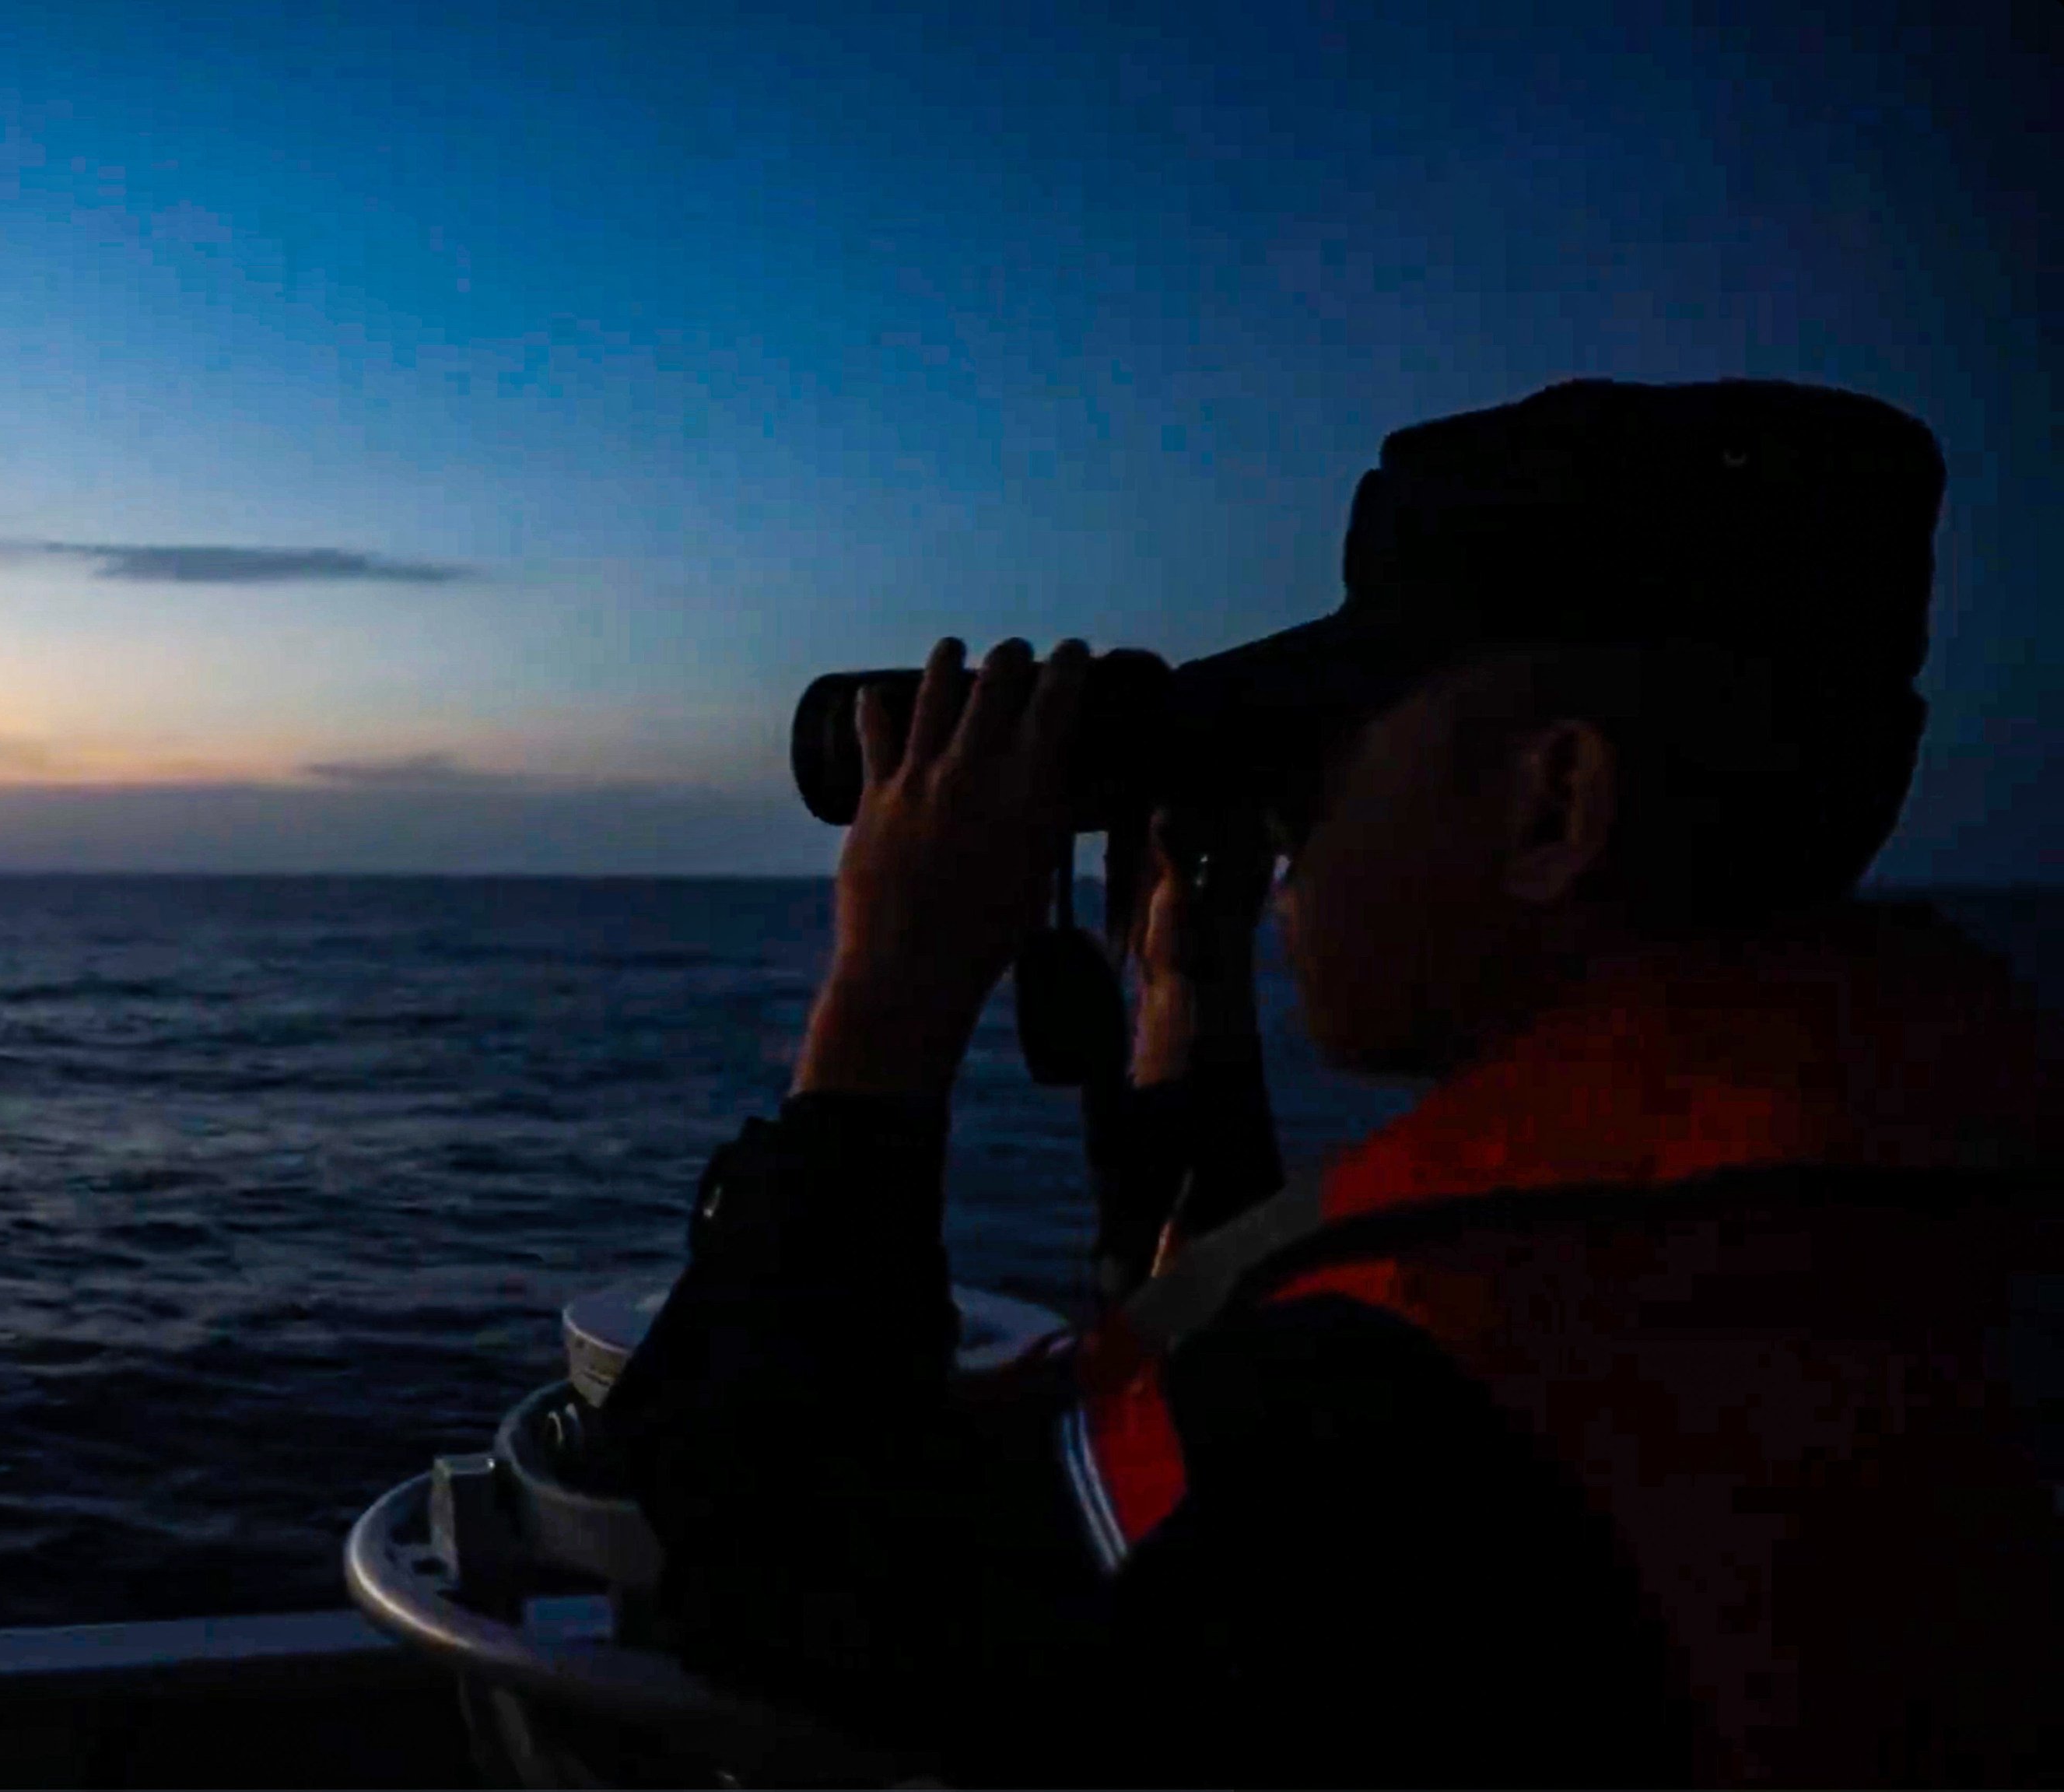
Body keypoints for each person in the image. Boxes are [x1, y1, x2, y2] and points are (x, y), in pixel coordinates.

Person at [596, 378, 2062, 1787]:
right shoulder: (1881, 1215)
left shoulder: (1420, 1403)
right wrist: (1188, 995)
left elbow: (773, 1581)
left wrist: (886, 1000)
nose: (1284, 824)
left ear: (1555, 804)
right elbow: (1243, 1380)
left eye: (1326, 751)